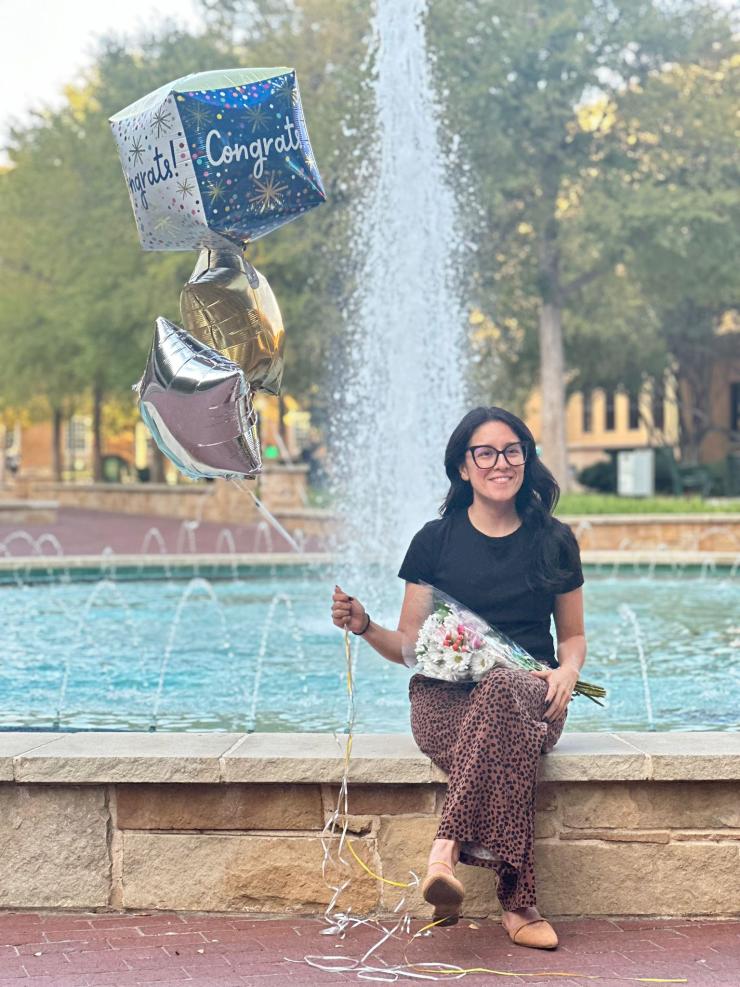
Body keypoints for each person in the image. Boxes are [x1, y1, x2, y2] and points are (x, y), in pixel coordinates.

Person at [331, 406, 586, 950]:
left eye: (512, 451)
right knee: (502, 730)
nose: (501, 462)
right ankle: (519, 907)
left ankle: (443, 851)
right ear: (464, 468)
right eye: (486, 453)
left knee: (500, 690)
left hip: (532, 694)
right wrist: (365, 625)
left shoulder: (554, 539)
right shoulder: (434, 542)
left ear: (526, 459)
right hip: (442, 702)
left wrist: (568, 671)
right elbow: (409, 648)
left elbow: (572, 636)